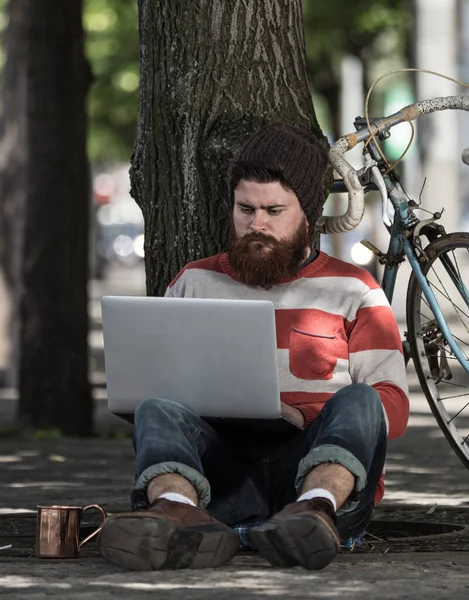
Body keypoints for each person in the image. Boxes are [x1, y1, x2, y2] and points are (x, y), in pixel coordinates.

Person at [97, 123, 409, 571]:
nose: (256, 225)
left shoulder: (355, 288)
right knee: (154, 409)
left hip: (314, 474)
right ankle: (176, 510)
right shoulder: (194, 282)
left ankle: (314, 511)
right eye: (245, 209)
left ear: (308, 214)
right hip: (221, 478)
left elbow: (394, 408)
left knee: (362, 399)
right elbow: (153, 394)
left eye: (274, 211)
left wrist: (305, 415)